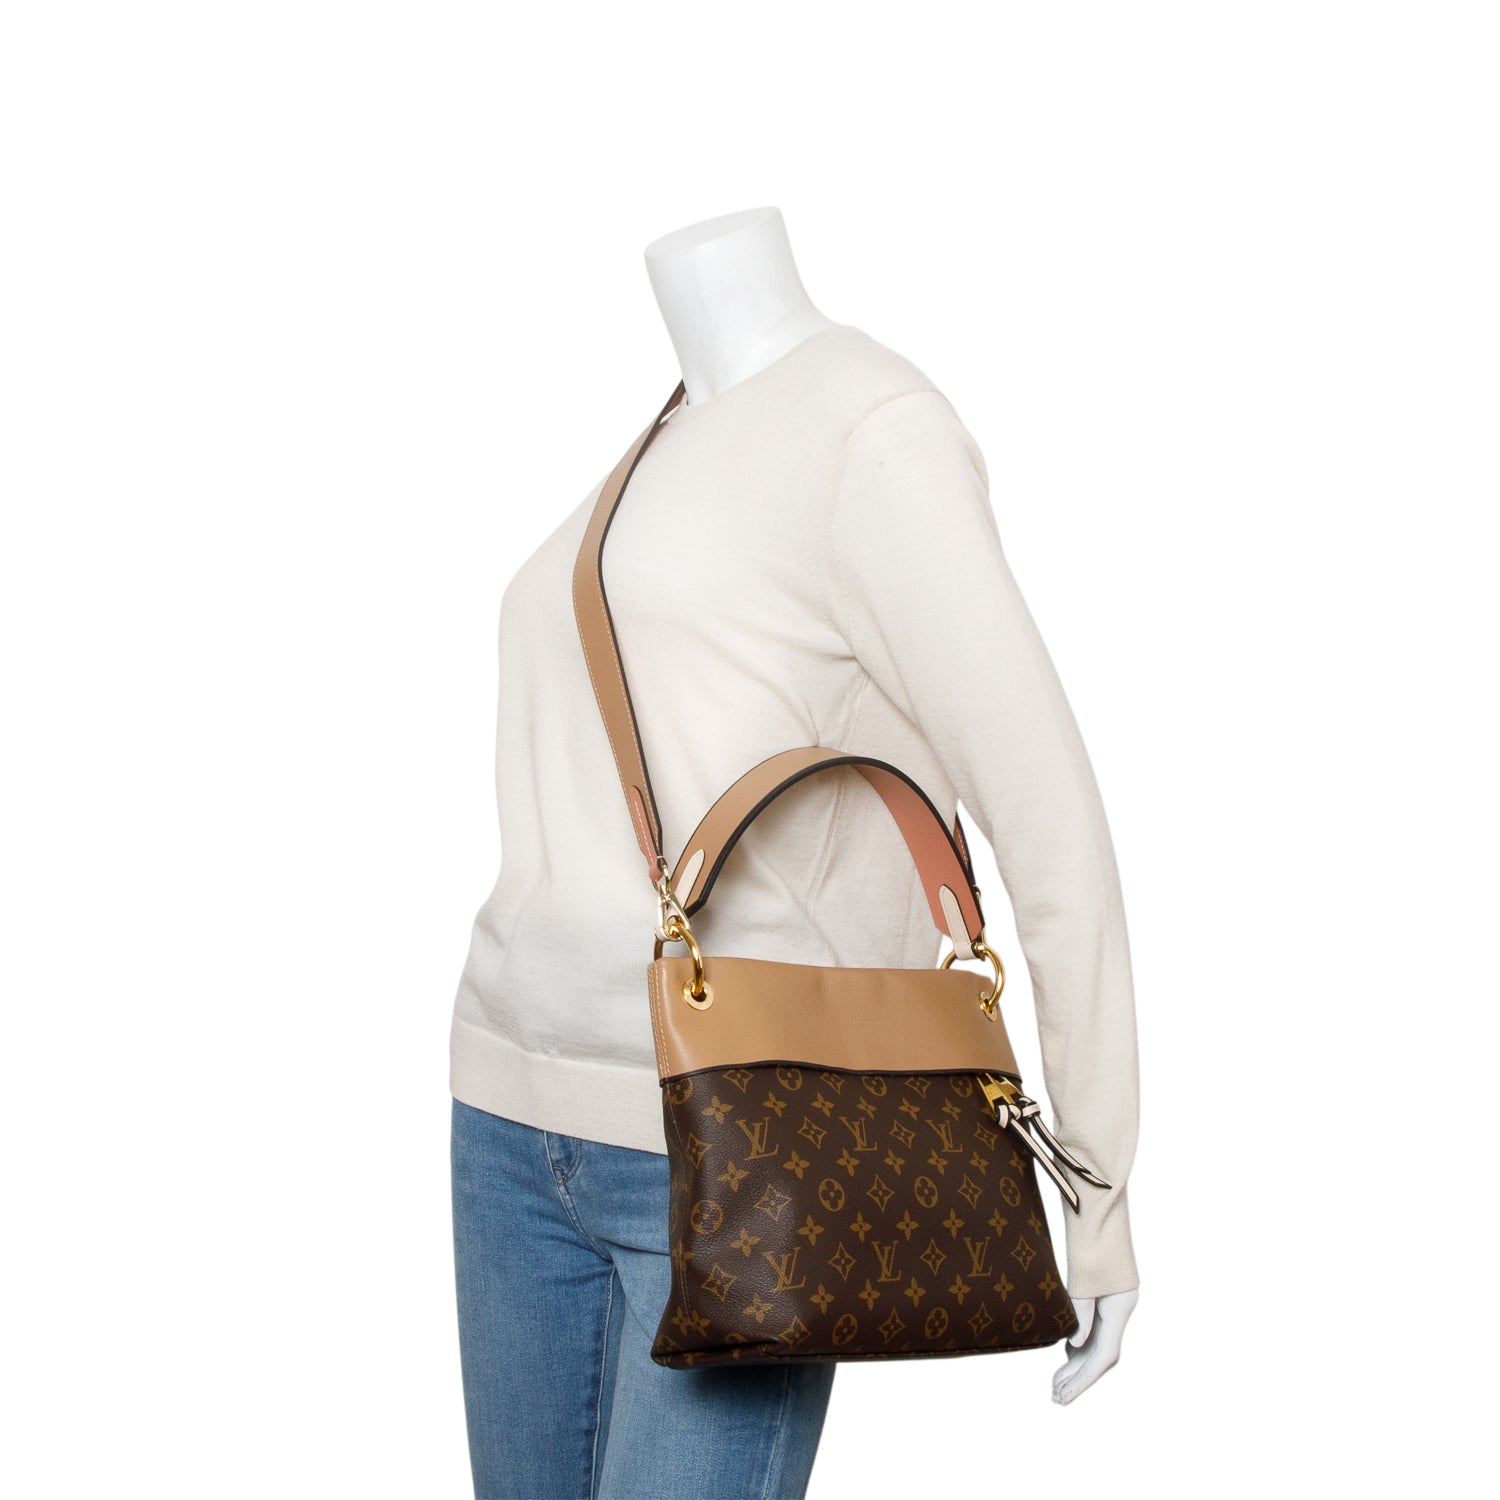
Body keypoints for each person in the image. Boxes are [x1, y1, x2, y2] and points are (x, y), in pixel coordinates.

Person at [448, 206, 1141, 1499]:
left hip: (737, 1131)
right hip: (506, 1123)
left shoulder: (872, 432)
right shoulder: (664, 439)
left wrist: (1096, 1192)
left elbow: (1047, 814)